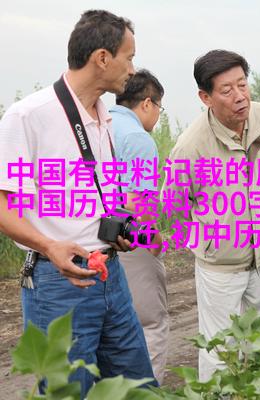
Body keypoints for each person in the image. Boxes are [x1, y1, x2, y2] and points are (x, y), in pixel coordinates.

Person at [0, 10, 156, 397]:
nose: (132, 69)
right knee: (67, 391)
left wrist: (119, 227)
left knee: (137, 388)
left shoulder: (106, 117)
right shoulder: (29, 115)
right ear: (102, 58)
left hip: (110, 273)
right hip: (60, 281)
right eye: (129, 57)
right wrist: (49, 245)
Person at [162, 50, 260, 381]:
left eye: (243, 84)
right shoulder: (190, 147)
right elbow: (173, 205)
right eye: (227, 90)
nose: (240, 96)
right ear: (206, 97)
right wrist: (210, 239)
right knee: (220, 350)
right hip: (220, 267)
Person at [109, 69, 169, 384]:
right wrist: (154, 239)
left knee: (111, 332)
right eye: (159, 107)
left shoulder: (99, 124)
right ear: (147, 103)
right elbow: (137, 203)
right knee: (150, 324)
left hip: (92, 242)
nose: (158, 115)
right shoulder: (136, 137)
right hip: (128, 243)